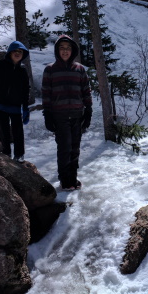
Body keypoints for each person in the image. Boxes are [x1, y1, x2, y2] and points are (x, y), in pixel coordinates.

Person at [42, 34, 92, 191]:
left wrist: (88, 110)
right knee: (64, 148)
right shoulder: (50, 70)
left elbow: (86, 91)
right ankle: (65, 180)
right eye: (62, 48)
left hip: (77, 114)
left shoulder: (79, 69)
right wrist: (48, 114)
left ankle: (73, 177)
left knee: (75, 148)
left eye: (68, 48)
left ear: (73, 50)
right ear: (57, 51)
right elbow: (46, 94)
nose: (65, 51)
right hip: (60, 116)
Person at [0, 40, 30, 162]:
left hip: (15, 106)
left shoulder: (23, 70)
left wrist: (25, 107)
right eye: (15, 51)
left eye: (20, 52)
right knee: (3, 129)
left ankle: (19, 154)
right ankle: (6, 153)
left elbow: (26, 90)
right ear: (10, 52)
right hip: (0, 104)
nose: (17, 53)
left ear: (23, 54)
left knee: (18, 131)